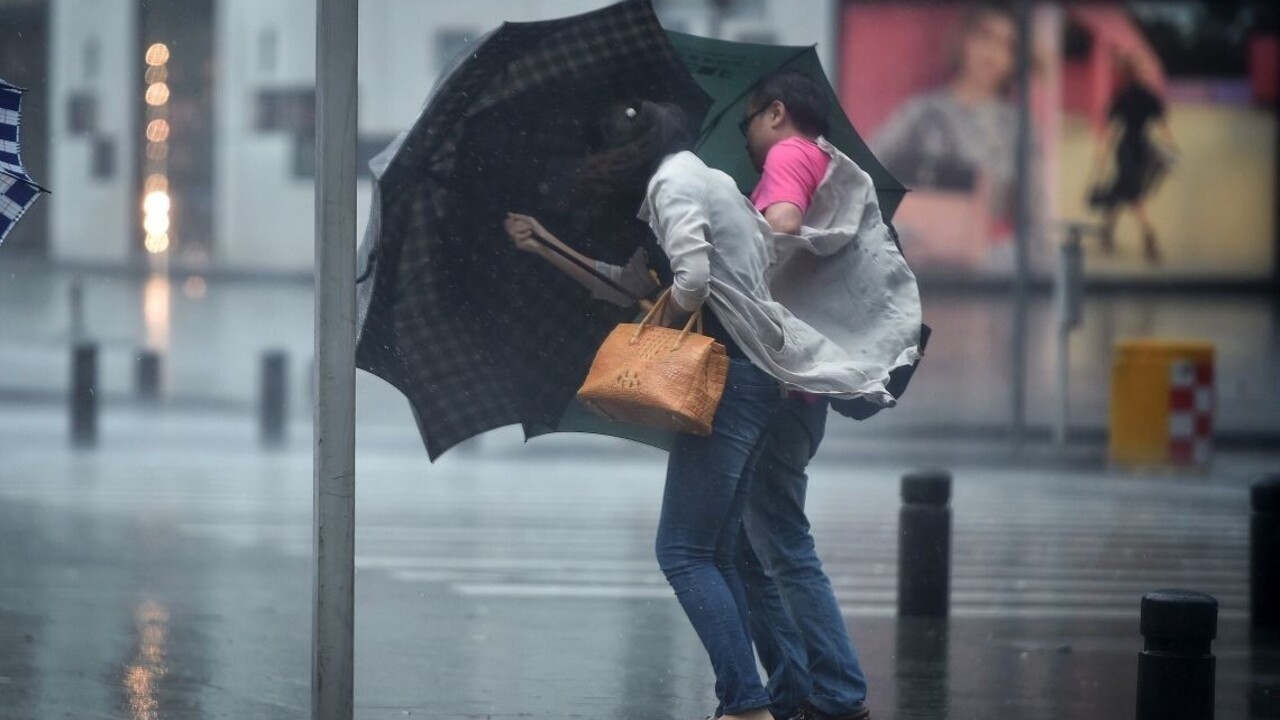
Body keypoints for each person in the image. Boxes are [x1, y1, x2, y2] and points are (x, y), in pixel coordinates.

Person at [505, 99, 920, 720]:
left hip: (727, 379)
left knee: (683, 553)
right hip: (756, 379)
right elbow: (644, 281)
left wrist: (664, 327)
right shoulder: (710, 179)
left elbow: (693, 280)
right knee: (725, 553)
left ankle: (745, 703)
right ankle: (786, 695)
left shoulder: (672, 182)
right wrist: (544, 243)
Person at [733, 70, 875, 720]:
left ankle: (837, 693)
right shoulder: (829, 166)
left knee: (781, 544)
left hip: (777, 387)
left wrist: (730, 235)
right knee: (743, 546)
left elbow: (782, 227)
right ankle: (792, 686)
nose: (746, 138)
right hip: (798, 387)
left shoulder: (791, 155)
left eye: (749, 122)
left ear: (778, 112)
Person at [870, 3, 1023, 271]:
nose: (992, 53)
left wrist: (998, 258)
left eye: (1006, 44)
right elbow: (867, 169)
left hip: (986, 278)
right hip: (916, 268)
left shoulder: (1018, 130)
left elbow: (1036, 225)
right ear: (964, 39)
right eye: (985, 37)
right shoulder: (921, 113)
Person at [1090, 54, 1178, 263]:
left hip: (1126, 149)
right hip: (1143, 148)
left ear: (1124, 75)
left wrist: (1101, 154)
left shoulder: (1121, 96)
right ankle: (1107, 231)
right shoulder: (1150, 95)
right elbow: (1163, 125)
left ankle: (1148, 236)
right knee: (1127, 188)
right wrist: (1172, 149)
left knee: (1130, 191)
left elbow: (1111, 129)